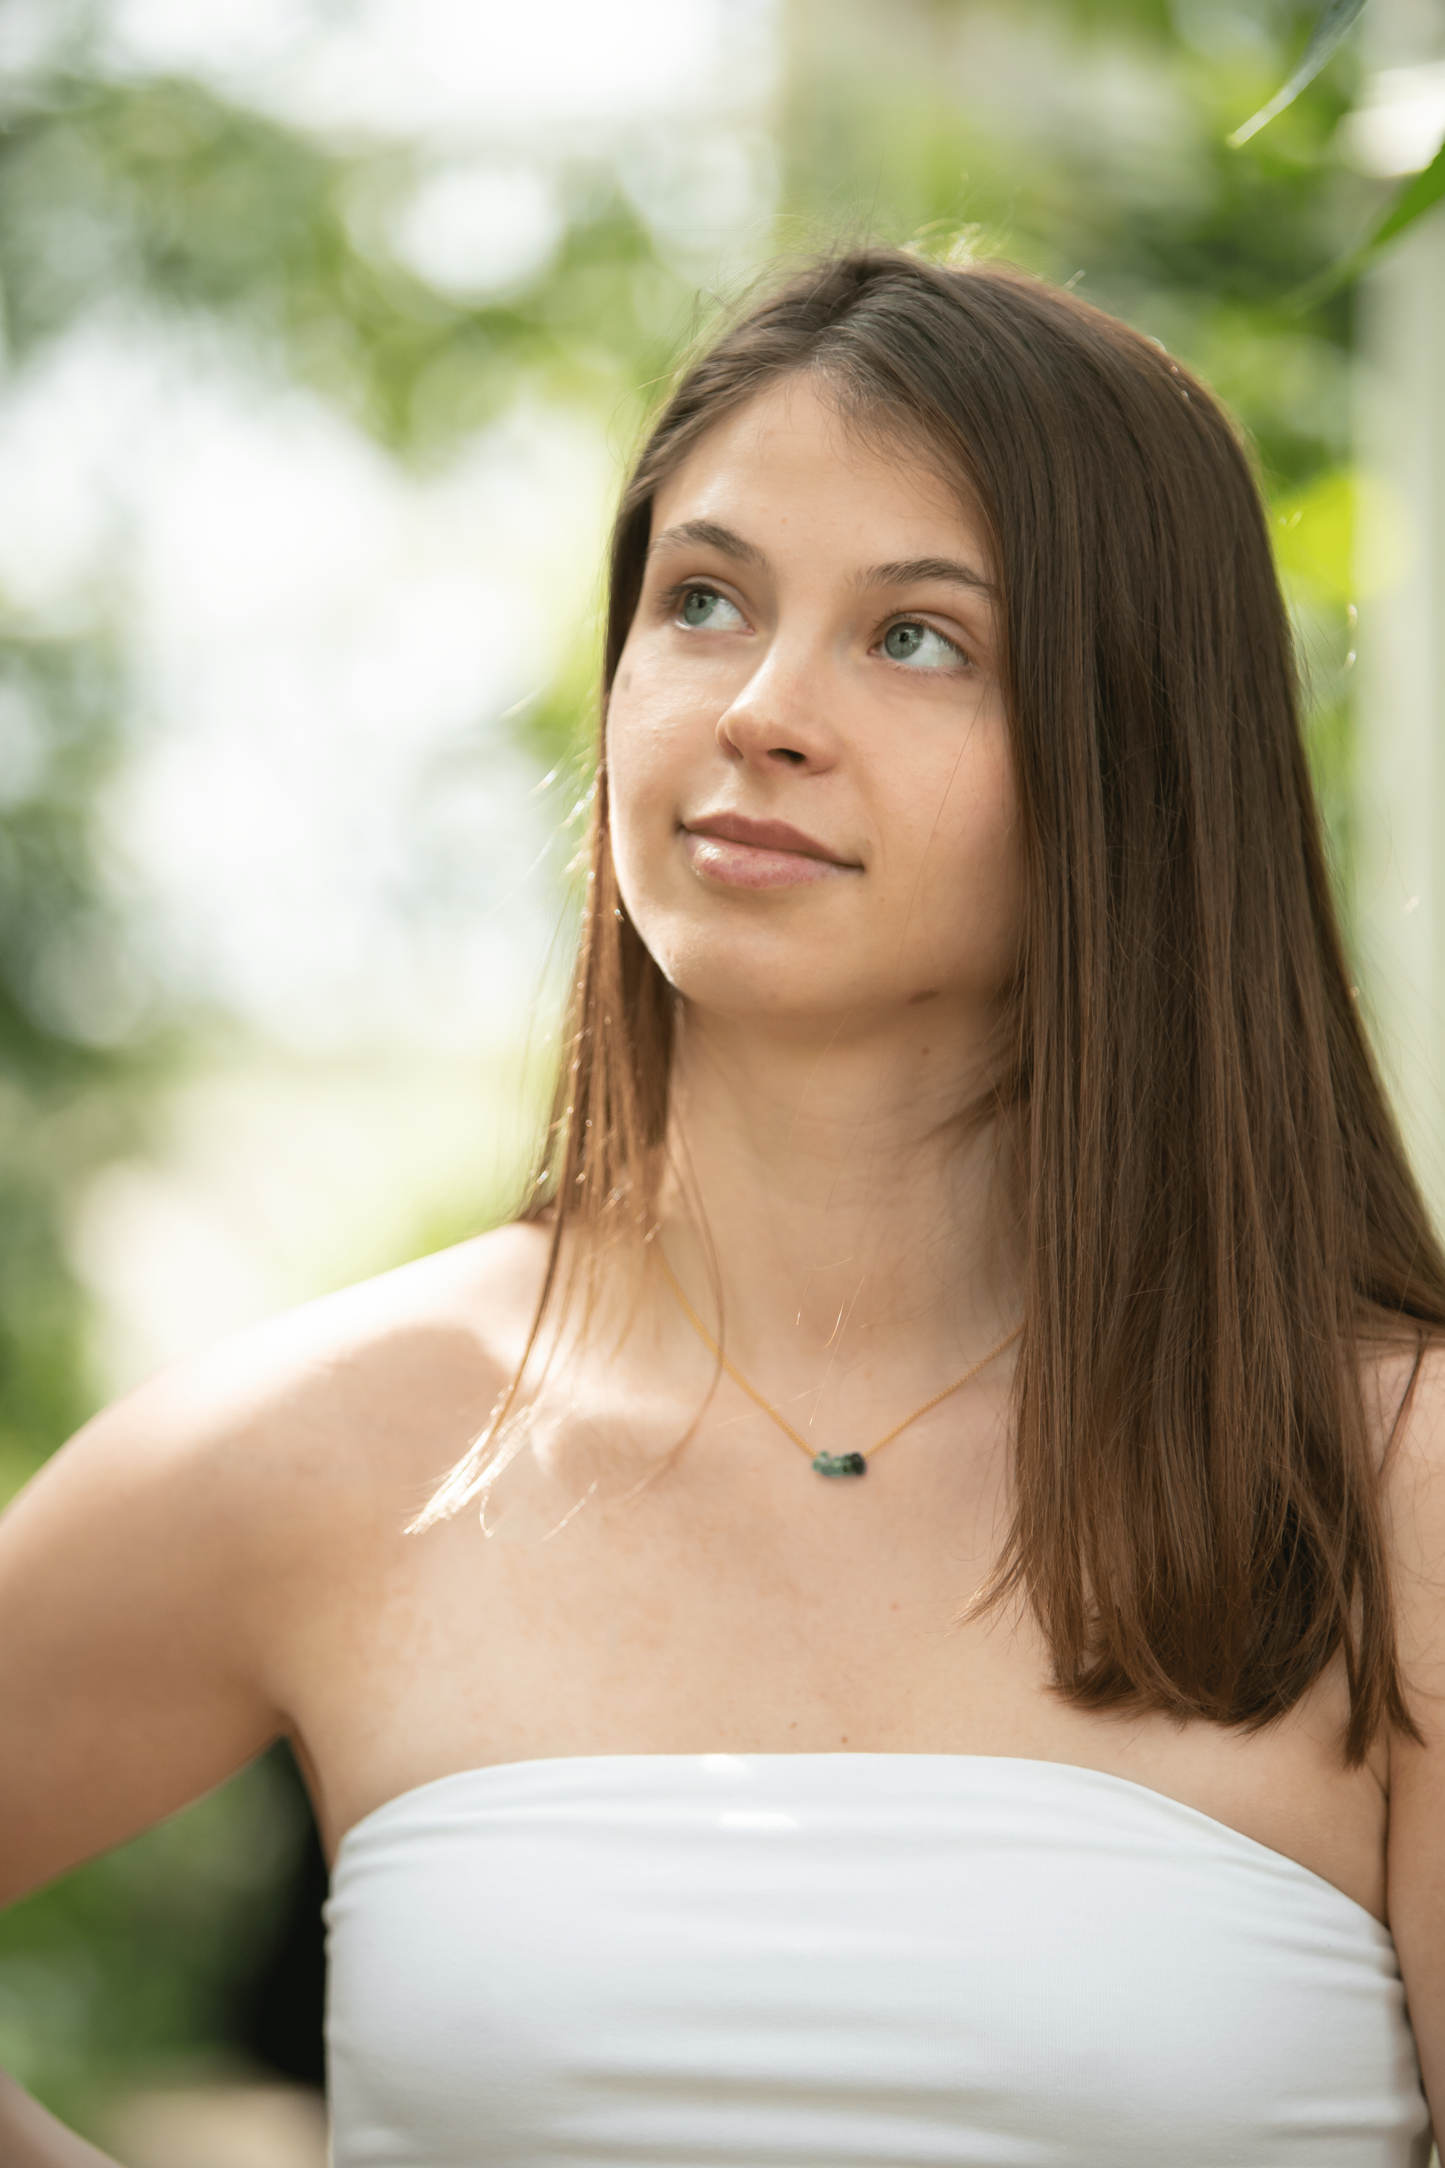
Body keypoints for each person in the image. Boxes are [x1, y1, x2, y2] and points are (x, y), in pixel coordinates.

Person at [1, 249, 1442, 2168]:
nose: (762, 706)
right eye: (704, 601)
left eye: (918, 636)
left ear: (1138, 756)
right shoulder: (353, 1441)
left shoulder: (1388, 1483)